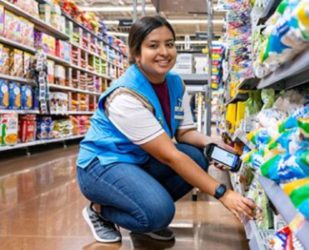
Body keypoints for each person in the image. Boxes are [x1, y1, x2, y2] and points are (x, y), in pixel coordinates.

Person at [76, 15, 256, 243]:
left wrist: (212, 143)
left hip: (138, 160)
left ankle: (144, 209)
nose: (164, 52)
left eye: (169, 44)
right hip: (102, 166)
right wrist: (223, 193)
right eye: (153, 45)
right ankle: (100, 211)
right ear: (136, 53)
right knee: (159, 213)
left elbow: (185, 133)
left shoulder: (175, 83)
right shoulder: (124, 96)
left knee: (197, 156)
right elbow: (170, 156)